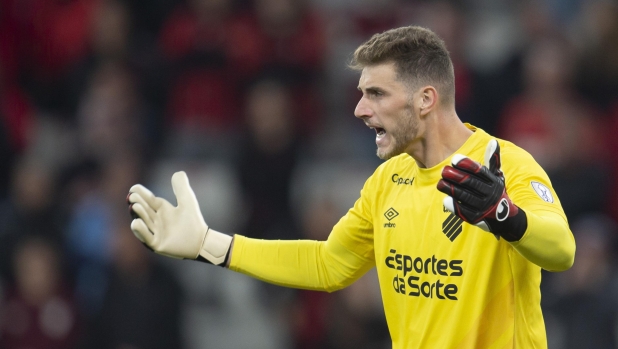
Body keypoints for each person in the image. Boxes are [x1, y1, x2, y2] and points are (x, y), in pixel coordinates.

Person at [127, 26, 575, 348]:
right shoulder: (387, 181)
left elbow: (561, 251)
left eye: (377, 94)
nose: (360, 109)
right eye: (361, 93)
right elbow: (329, 265)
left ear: (425, 99)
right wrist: (210, 244)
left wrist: (504, 214)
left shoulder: (504, 165)